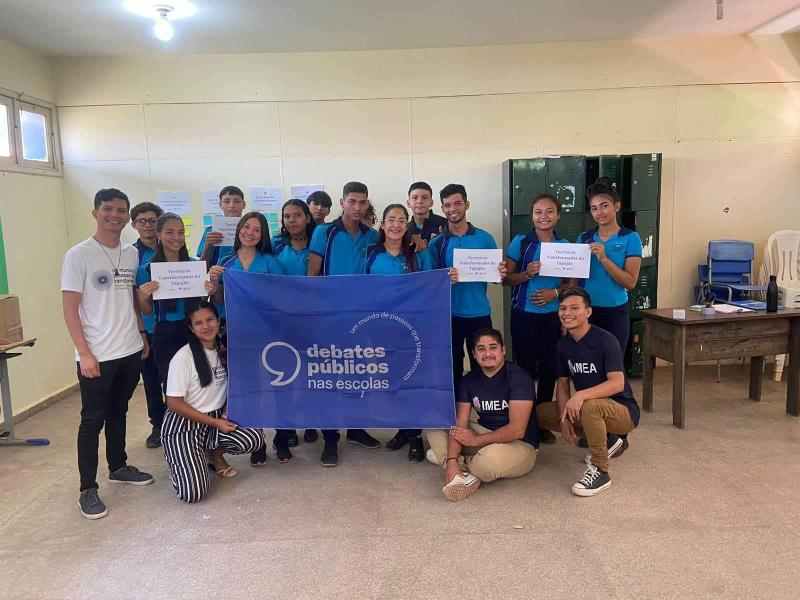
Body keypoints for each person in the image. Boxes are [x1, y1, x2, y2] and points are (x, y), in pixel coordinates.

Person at [62, 188, 154, 520]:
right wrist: (84, 353)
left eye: (120, 211)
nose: (114, 215)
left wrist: (141, 334)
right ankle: (88, 488)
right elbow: (70, 310)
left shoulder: (131, 254)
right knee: (92, 420)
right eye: (108, 209)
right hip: (97, 355)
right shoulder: (79, 255)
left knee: (119, 411)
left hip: (129, 349)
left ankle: (118, 465)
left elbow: (131, 298)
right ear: (96, 212)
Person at [536, 288, 639, 497]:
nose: (567, 313)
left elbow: (617, 383)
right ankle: (609, 440)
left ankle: (601, 472)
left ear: (588, 312)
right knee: (541, 413)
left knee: (590, 407)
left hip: (623, 412)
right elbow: (563, 384)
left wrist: (581, 395)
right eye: (563, 308)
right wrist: (564, 418)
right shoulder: (563, 345)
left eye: (575, 308)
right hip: (588, 409)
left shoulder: (605, 340)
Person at [308, 181, 381, 466]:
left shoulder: (373, 235)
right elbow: (313, 275)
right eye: (352, 201)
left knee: (359, 372)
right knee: (331, 375)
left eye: (362, 202)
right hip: (330, 316)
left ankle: (356, 428)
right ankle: (330, 439)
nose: (357, 207)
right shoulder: (324, 233)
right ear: (342, 203)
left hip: (363, 317)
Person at [162, 301, 265, 503]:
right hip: (184, 424)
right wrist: (215, 423)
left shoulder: (225, 350)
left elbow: (236, 385)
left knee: (252, 437)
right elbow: (173, 403)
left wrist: (226, 411)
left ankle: (213, 455)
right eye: (198, 323)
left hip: (216, 418)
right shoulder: (183, 357)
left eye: (210, 319)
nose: (206, 326)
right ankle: (180, 461)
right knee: (193, 494)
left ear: (218, 321)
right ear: (191, 328)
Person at [207, 212, 285, 465]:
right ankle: (257, 440)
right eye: (246, 227)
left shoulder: (271, 262)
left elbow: (283, 297)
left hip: (266, 333)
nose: (250, 232)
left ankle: (282, 439)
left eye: (257, 229)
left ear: (262, 236)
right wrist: (214, 284)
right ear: (239, 229)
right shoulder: (226, 262)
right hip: (235, 334)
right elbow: (219, 302)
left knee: (275, 387)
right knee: (247, 388)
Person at [424, 328, 538, 502]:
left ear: (503, 350)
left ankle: (457, 465)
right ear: (474, 354)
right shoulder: (469, 380)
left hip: (519, 444)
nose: (488, 353)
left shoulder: (519, 378)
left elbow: (517, 430)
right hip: (485, 433)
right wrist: (453, 460)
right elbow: (460, 423)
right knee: (433, 424)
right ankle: (456, 465)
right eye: (481, 349)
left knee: (486, 464)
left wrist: (475, 441)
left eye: (493, 347)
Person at [365, 204, 434, 462]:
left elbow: (431, 285)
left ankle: (415, 435)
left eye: (401, 220)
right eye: (391, 219)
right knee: (392, 382)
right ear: (382, 225)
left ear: (407, 225)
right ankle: (403, 429)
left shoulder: (418, 254)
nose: (396, 224)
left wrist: (447, 276)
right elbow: (360, 288)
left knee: (412, 380)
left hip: (412, 328)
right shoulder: (371, 255)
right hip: (381, 327)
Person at [504, 193, 570, 443]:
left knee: (550, 371)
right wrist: (526, 274)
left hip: (553, 318)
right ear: (532, 216)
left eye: (549, 211)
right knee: (524, 371)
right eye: (538, 212)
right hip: (523, 317)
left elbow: (571, 284)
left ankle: (541, 421)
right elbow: (505, 279)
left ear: (558, 215)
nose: (544, 217)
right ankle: (525, 421)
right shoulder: (521, 243)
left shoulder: (565, 245)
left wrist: (554, 293)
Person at [428, 183, 506, 393]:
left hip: (479, 312)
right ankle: (454, 409)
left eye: (457, 203)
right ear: (442, 209)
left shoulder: (485, 238)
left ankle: (484, 408)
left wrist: (500, 274)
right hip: (449, 314)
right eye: (447, 205)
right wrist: (444, 278)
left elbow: (497, 279)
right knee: (451, 364)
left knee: (483, 362)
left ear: (467, 204)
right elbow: (429, 283)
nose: (453, 209)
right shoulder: (437, 243)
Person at [137, 213, 201, 393]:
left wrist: (208, 290)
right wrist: (142, 296)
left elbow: (201, 304)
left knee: (197, 383)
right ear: (158, 234)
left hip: (194, 330)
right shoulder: (147, 269)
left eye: (180, 232)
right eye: (170, 232)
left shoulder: (194, 266)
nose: (176, 238)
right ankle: (175, 421)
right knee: (173, 386)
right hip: (165, 332)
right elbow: (148, 311)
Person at [272, 199, 318, 447]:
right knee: (285, 375)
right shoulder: (275, 246)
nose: (292, 220)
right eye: (287, 216)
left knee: (312, 374)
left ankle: (312, 422)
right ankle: (286, 426)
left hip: (313, 319)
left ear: (307, 218)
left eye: (297, 215)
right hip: (283, 320)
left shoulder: (317, 245)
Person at [578, 177, 642, 355]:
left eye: (605, 205)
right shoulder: (584, 238)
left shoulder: (630, 238)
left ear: (617, 206)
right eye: (594, 208)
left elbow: (630, 282)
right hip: (586, 312)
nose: (600, 212)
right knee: (587, 365)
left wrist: (604, 259)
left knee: (613, 367)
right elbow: (575, 281)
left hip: (615, 312)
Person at [130, 201, 165, 448]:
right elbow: (132, 297)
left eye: (152, 220)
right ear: (134, 225)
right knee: (152, 381)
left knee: (178, 380)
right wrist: (141, 332)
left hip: (176, 326)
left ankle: (183, 424)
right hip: (148, 328)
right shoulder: (131, 255)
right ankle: (158, 426)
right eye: (142, 221)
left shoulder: (175, 248)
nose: (148, 225)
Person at [196, 185, 246, 265]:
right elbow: (202, 266)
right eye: (226, 201)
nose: (232, 205)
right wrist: (208, 246)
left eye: (237, 201)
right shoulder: (211, 230)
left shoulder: (251, 230)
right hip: (217, 275)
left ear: (244, 204)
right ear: (220, 205)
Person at [406, 181, 446, 249]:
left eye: (424, 198)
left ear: (431, 202)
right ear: (408, 203)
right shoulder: (405, 230)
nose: (419, 201)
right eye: (415, 198)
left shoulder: (445, 225)